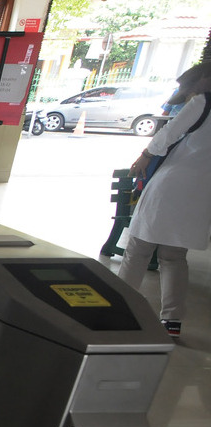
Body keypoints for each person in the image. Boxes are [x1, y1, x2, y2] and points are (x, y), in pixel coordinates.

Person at [117, 64, 211, 339]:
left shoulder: (202, 102)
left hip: (173, 183)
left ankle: (122, 307)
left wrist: (145, 154)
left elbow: (169, 133)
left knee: (138, 249)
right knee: (173, 256)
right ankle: (171, 320)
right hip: (203, 189)